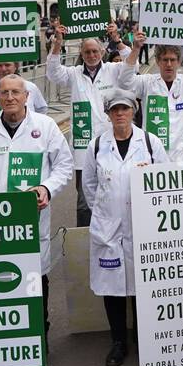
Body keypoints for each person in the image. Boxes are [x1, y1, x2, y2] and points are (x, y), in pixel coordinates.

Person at [0, 74, 73, 336]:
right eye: (4, 93)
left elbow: (64, 166)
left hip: (30, 217)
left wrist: (46, 188)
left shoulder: (46, 126)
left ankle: (38, 332)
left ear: (26, 96)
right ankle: (4, 336)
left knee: (34, 276)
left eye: (15, 92)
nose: (10, 98)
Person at [80, 89, 167, 366]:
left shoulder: (150, 143)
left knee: (144, 282)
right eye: (115, 110)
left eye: (125, 109)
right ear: (108, 114)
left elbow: (163, 178)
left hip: (144, 226)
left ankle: (145, 337)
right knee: (113, 286)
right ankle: (118, 341)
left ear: (133, 111)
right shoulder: (97, 146)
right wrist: (107, 212)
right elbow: (90, 186)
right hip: (109, 229)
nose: (120, 114)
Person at [46, 20, 127, 226]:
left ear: (101, 51)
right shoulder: (73, 75)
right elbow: (53, 72)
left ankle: (114, 234)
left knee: (115, 194)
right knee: (84, 200)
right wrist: (58, 43)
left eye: (95, 51)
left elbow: (130, 65)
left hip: (111, 144)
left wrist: (117, 40)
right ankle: (85, 241)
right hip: (83, 148)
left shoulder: (113, 70)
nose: (91, 55)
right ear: (81, 55)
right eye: (87, 52)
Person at [117, 30, 183, 160]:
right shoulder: (147, 82)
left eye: (173, 60)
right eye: (165, 60)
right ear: (157, 61)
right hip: (153, 154)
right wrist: (136, 49)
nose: (169, 64)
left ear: (179, 62)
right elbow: (124, 82)